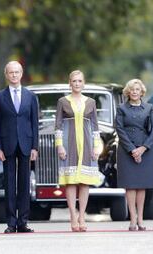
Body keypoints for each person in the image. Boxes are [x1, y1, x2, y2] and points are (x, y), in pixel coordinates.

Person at [0, 61, 38, 233]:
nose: (14, 75)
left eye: (17, 72)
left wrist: (35, 147)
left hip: (26, 144)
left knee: (24, 183)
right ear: (6, 74)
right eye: (11, 72)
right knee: (9, 184)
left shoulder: (30, 96)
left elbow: (34, 123)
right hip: (7, 144)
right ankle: (11, 223)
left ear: (21, 73)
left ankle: (23, 222)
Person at [55, 70, 101, 232]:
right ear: (70, 83)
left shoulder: (91, 102)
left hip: (87, 144)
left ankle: (82, 216)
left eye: (80, 81)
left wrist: (97, 147)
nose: (77, 84)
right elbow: (58, 125)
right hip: (69, 143)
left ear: (83, 83)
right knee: (71, 181)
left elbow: (95, 126)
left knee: (84, 181)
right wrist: (60, 145)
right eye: (74, 81)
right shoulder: (62, 101)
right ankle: (73, 216)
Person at [116, 79, 153, 231]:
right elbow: (119, 129)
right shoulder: (121, 108)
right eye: (132, 89)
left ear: (142, 92)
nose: (134, 92)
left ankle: (140, 218)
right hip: (127, 151)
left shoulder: (149, 108)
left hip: (146, 151)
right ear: (128, 91)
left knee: (142, 186)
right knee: (130, 186)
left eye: (137, 90)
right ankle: (132, 219)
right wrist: (132, 150)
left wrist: (143, 148)